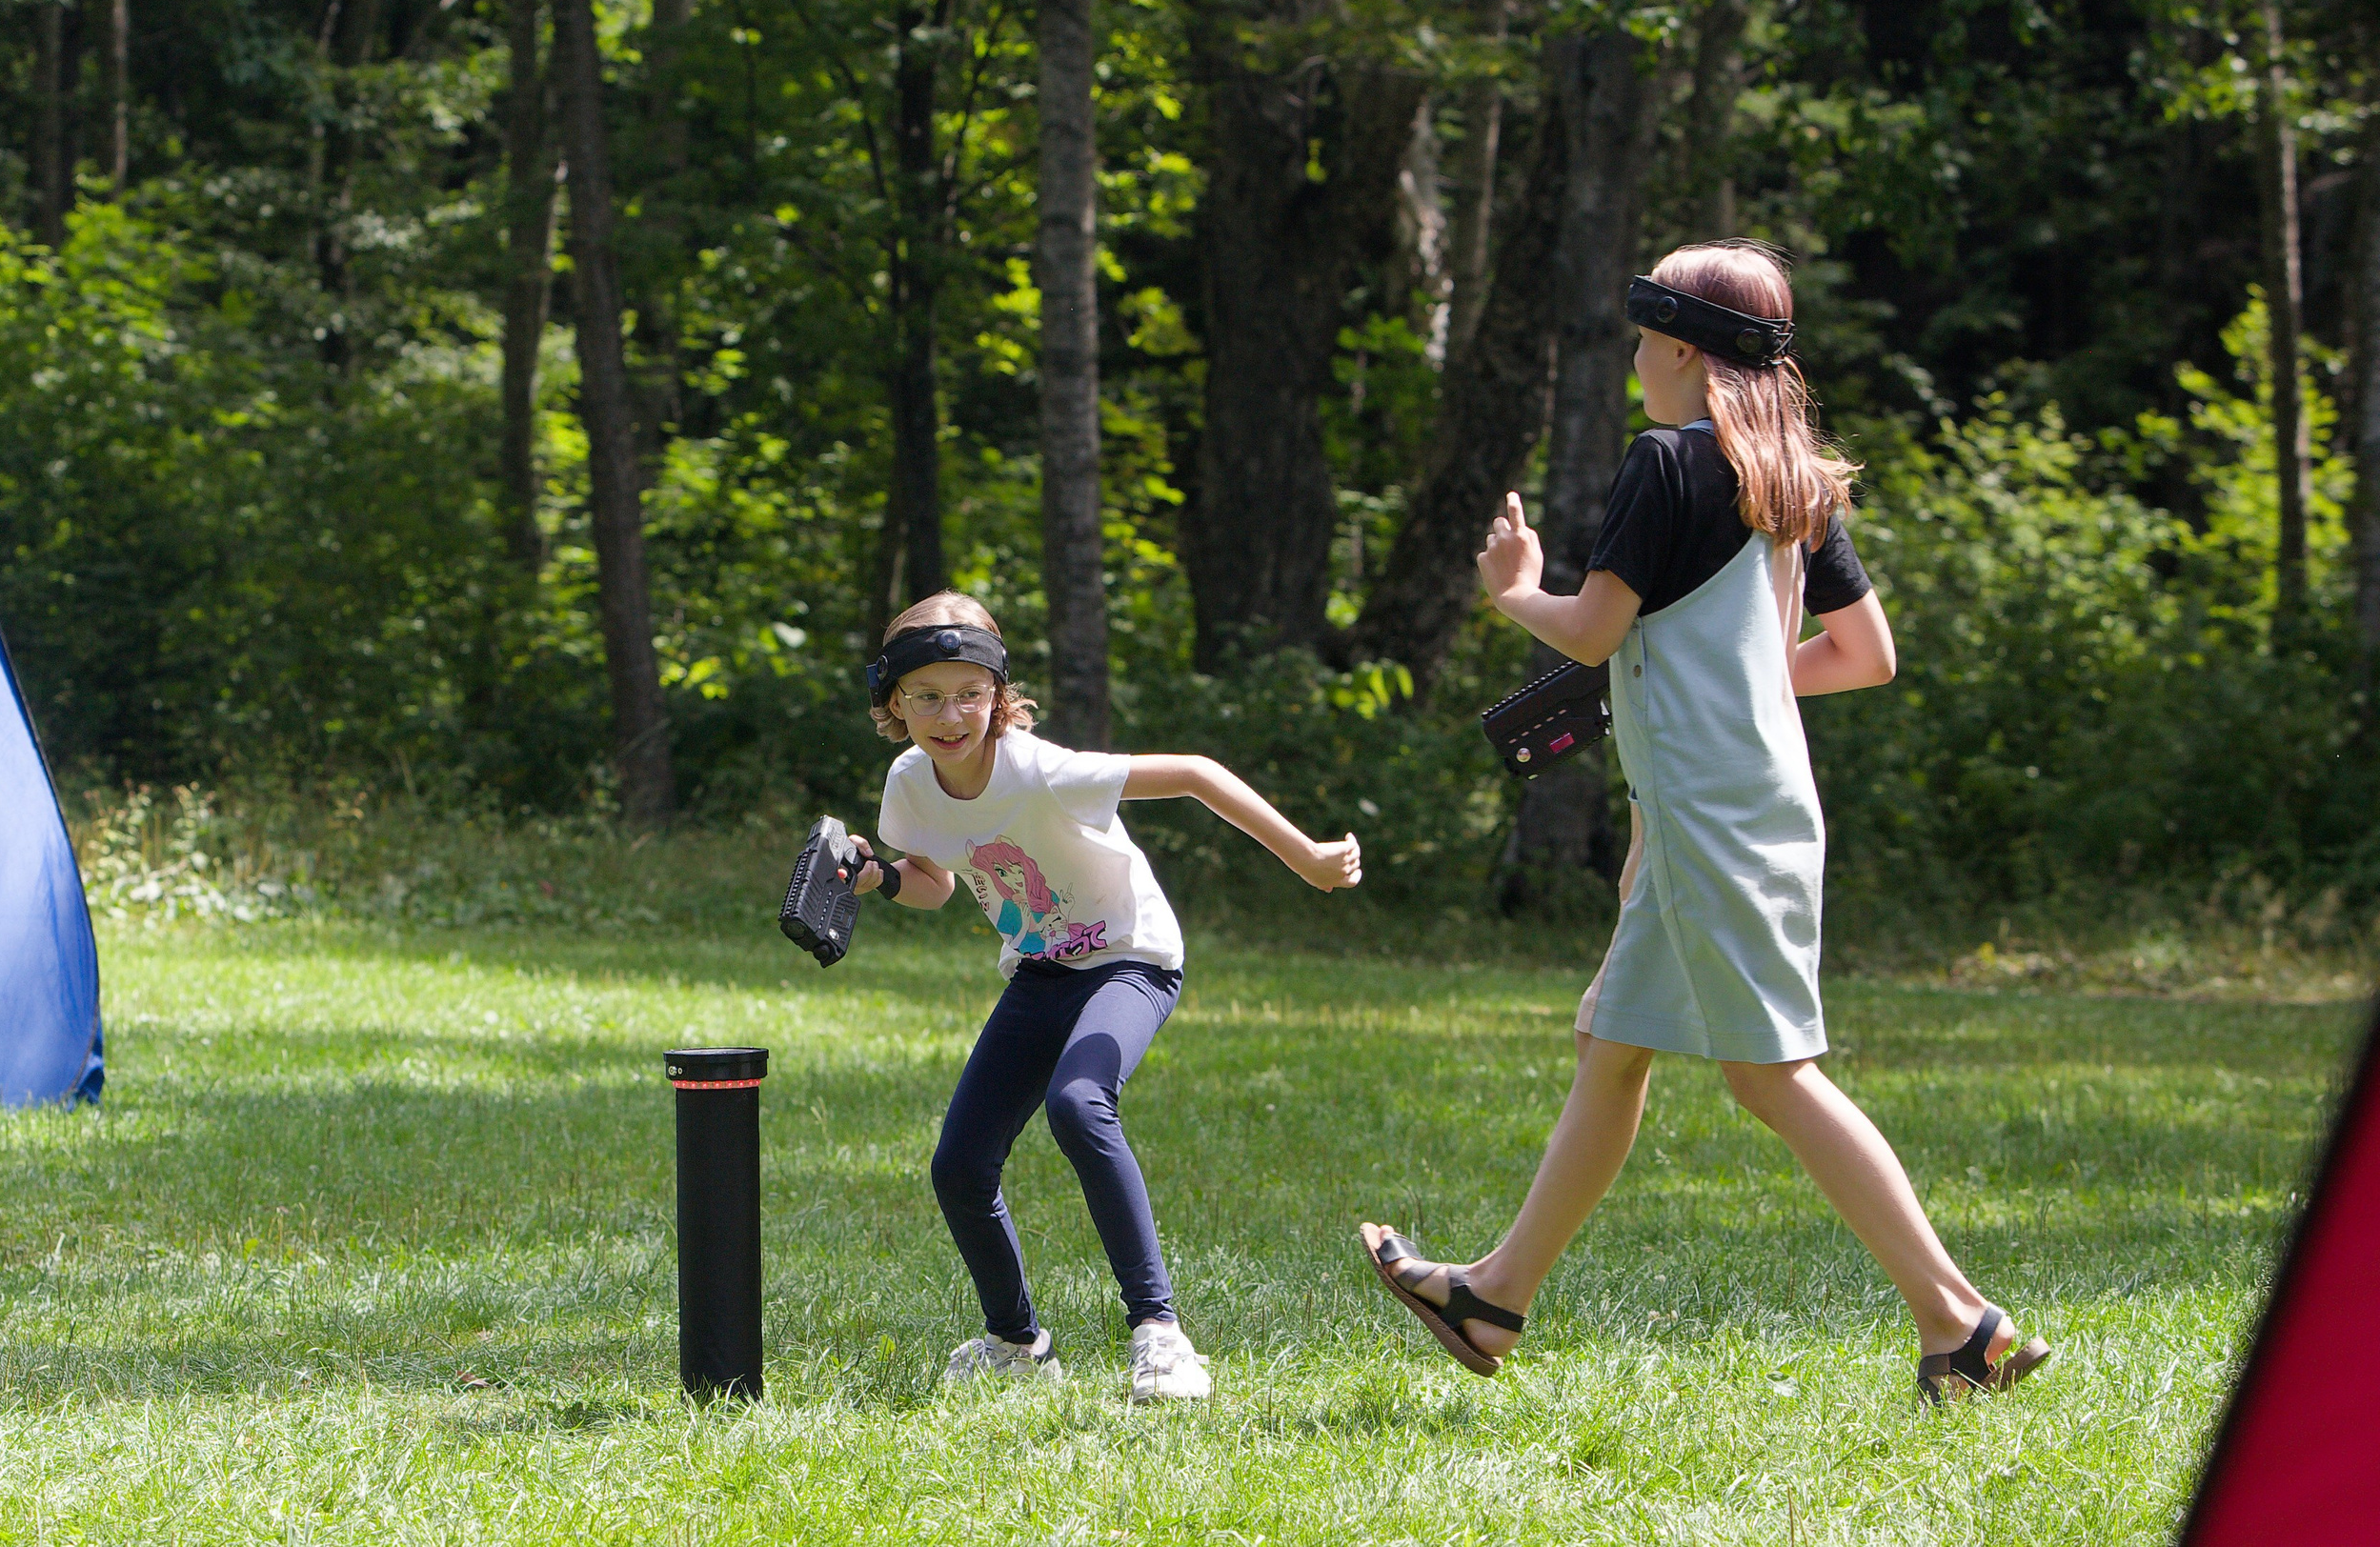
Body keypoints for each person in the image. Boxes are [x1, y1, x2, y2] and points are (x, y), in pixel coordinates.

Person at [1361, 240, 2051, 1408]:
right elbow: (1862, 656)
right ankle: (1492, 1297)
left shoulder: (1666, 462)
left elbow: (1587, 631)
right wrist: (1715, 700)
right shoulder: (1790, 475)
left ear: (1677, 347)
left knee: (1772, 1075)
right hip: (1738, 796)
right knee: (1612, 1044)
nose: (1635, 361)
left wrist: (1511, 586)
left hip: (1709, 808)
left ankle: (1960, 1320)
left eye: (1640, 341)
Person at [848, 591, 1363, 1402]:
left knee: (1080, 1102)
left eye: (970, 692)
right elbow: (935, 884)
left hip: (1132, 957)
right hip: (1042, 970)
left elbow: (1195, 774)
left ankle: (1161, 1334)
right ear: (892, 700)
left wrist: (1307, 858)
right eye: (927, 695)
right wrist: (877, 877)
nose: (951, 714)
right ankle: (1016, 1342)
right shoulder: (909, 785)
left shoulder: (1043, 770)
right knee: (958, 1164)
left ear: (998, 692)